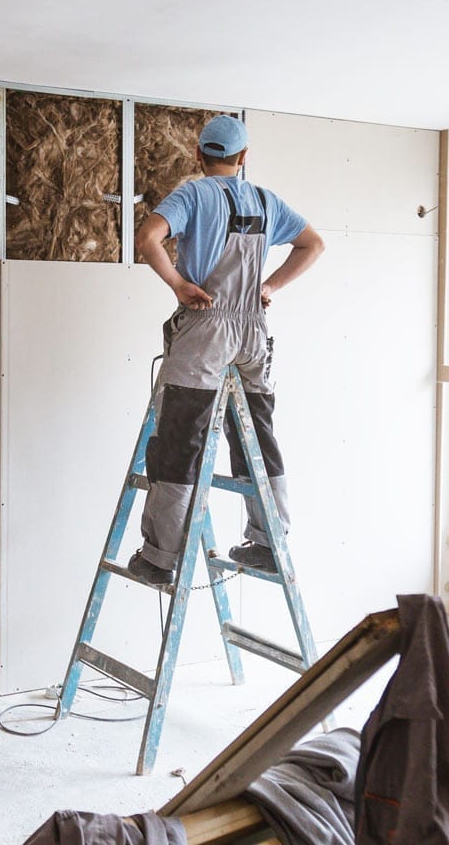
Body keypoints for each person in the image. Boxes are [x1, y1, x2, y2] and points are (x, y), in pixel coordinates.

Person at [128, 114, 323, 584]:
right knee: (258, 436)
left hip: (206, 328)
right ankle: (269, 543)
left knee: (181, 441)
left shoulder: (193, 194)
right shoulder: (265, 200)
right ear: (243, 158)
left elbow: (147, 238)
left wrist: (179, 285)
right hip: (253, 332)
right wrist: (269, 286)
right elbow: (313, 244)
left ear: (199, 155)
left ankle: (160, 558)